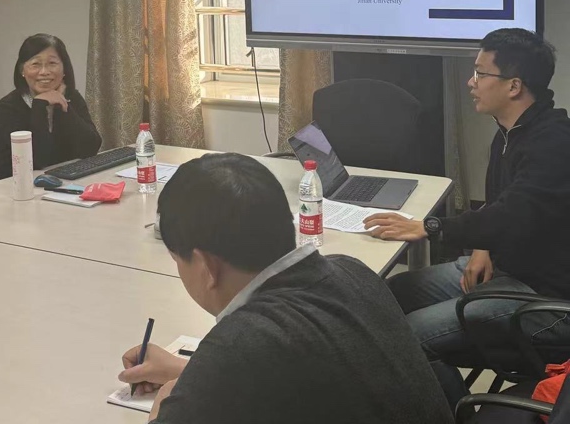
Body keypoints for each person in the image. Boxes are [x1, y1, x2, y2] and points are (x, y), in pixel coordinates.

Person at [118, 152, 454, 424]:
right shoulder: (351, 270)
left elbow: (251, 361)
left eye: (178, 260)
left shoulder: (240, 344)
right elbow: (312, 378)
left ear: (206, 266)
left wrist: (164, 407)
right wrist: (191, 374)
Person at [364, 28, 570, 411]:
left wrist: (430, 227)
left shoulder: (553, 144)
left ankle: (457, 416)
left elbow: (513, 214)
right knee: (390, 295)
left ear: (514, 86)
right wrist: (481, 248)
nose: (470, 82)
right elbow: (502, 205)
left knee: (407, 340)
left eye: (480, 73)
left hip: (546, 297)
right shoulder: (510, 131)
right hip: (509, 268)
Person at [0, 33, 101, 181]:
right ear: (22, 70)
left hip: (59, 182)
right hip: (11, 185)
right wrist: (39, 105)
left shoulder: (72, 97)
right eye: (35, 64)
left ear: (64, 69)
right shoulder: (9, 107)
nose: (44, 72)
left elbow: (91, 148)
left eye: (52, 63)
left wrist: (62, 105)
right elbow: (37, 160)